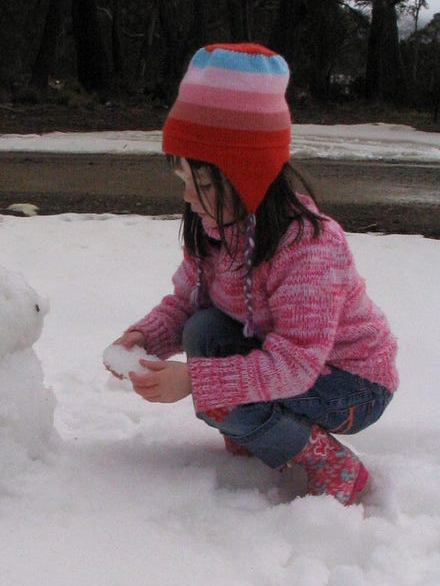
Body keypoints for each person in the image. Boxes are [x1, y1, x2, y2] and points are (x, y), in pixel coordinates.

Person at [108, 42, 398, 506]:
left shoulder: (309, 246)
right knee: (204, 330)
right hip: (289, 364)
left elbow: (299, 363)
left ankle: (329, 461)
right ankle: (259, 431)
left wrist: (196, 382)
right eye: (182, 179)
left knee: (221, 394)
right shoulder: (212, 227)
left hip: (351, 384)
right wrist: (145, 338)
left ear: (250, 175)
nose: (188, 197)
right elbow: (187, 304)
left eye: (201, 183)